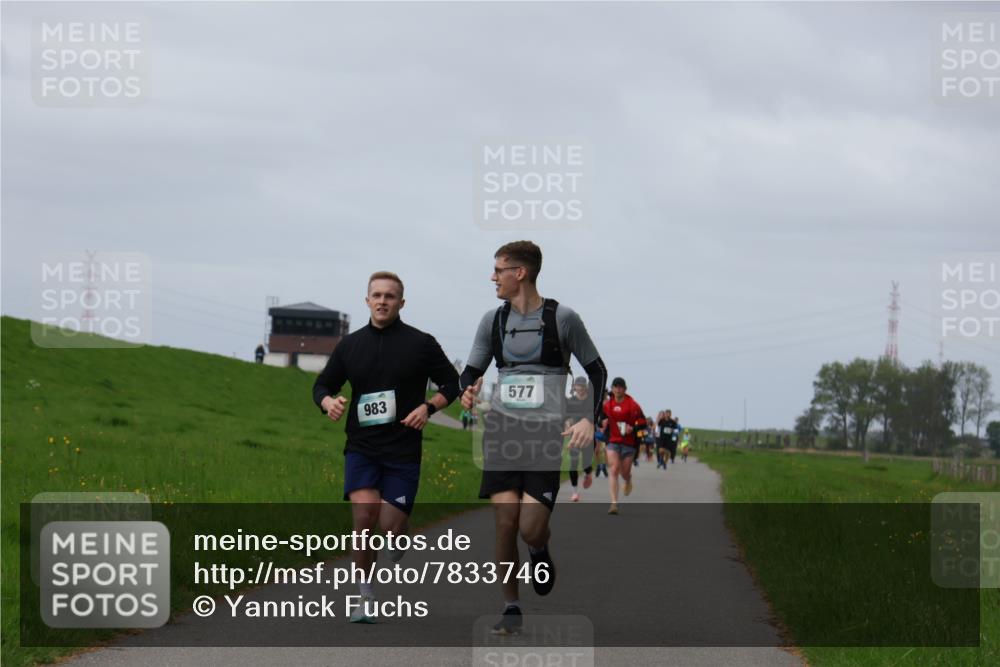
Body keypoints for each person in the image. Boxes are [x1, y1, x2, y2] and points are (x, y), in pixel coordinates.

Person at [459, 241, 607, 636]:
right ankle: (510, 606)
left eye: (498, 269)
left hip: (545, 437)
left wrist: (589, 421)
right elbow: (470, 370)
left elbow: (597, 372)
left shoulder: (564, 318)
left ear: (519, 273)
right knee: (505, 524)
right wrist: (467, 390)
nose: (493, 276)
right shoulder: (492, 321)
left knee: (530, 528)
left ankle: (540, 549)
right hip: (502, 433)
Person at [312, 271, 460, 623]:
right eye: (376, 295)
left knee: (390, 525)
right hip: (362, 447)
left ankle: (399, 533)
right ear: (366, 301)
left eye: (389, 296)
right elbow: (322, 384)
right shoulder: (350, 345)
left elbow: (452, 383)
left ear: (401, 303)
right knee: (364, 519)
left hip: (403, 450)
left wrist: (428, 407)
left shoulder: (421, 343)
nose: (382, 301)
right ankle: (365, 597)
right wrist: (327, 403)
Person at [602, 377, 645, 515]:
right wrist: (601, 424)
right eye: (616, 386)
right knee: (614, 469)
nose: (618, 389)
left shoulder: (633, 405)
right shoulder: (607, 405)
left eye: (621, 387)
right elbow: (599, 419)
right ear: (613, 389)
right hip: (613, 442)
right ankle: (614, 503)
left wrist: (633, 427)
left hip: (629, 444)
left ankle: (628, 480)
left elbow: (642, 423)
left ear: (625, 389)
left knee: (624, 473)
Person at [565, 376, 598, 502]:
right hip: (575, 436)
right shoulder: (570, 401)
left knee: (586, 463)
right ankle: (575, 492)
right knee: (573, 464)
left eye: (582, 386)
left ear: (586, 387)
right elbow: (566, 416)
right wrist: (567, 422)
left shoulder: (591, 401)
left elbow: (596, 415)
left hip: (588, 436)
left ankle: (587, 473)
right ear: (574, 387)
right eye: (577, 386)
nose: (580, 388)